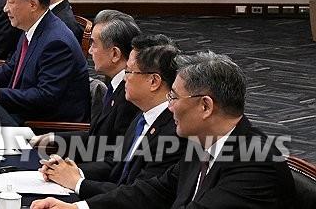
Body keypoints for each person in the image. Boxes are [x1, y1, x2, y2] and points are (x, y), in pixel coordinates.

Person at [32, 51, 296, 209]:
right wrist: (77, 206)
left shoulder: (256, 163)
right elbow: (153, 191)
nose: (168, 108)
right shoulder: (203, 143)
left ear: (205, 106)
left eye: (174, 98)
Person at [40, 37, 185, 198]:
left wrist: (78, 183)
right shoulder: (143, 115)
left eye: (129, 72)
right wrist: (71, 170)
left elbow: (139, 195)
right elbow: (115, 163)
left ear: (153, 81)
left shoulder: (175, 132)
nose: (124, 78)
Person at [34, 10, 142, 158]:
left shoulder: (129, 97)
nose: (90, 51)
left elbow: (114, 156)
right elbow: (97, 138)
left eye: (94, 44)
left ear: (115, 54)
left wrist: (74, 172)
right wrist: (53, 137)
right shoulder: (114, 82)